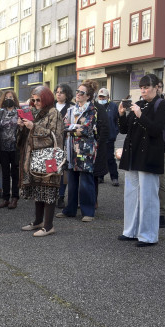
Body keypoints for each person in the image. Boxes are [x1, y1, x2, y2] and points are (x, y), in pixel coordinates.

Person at [116, 74, 165, 247]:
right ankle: (131, 231)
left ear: (157, 87)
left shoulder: (163, 105)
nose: (143, 90)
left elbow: (155, 130)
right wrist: (122, 115)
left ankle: (148, 235)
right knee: (131, 195)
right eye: (141, 87)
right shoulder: (139, 104)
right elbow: (125, 130)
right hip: (133, 155)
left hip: (150, 155)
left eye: (147, 87)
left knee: (148, 196)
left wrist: (141, 116)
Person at [18, 86, 65, 237]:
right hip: (33, 156)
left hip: (48, 158)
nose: (36, 102)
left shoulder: (54, 113)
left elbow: (56, 137)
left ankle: (49, 225)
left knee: (49, 189)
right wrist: (22, 127)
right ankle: (38, 221)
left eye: (39, 100)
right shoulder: (32, 112)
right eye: (34, 99)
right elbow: (27, 135)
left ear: (46, 98)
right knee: (37, 189)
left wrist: (34, 127)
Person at [57, 81, 98, 222]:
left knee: (86, 181)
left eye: (82, 92)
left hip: (85, 150)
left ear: (88, 96)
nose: (78, 94)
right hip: (71, 149)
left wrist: (72, 128)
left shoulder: (92, 110)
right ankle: (70, 209)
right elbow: (64, 125)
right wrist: (74, 128)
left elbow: (86, 129)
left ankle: (88, 212)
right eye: (77, 91)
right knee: (72, 181)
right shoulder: (71, 110)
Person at [0, 90, 20, 209]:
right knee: (4, 173)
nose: (9, 99)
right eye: (7, 97)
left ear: (15, 99)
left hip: (15, 148)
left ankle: (14, 198)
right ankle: (5, 198)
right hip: (3, 148)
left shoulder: (19, 113)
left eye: (12, 97)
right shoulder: (0, 114)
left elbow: (24, 130)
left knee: (15, 173)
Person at [54, 84, 74, 207]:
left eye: (61, 92)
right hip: (51, 142)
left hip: (65, 141)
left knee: (63, 170)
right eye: (57, 92)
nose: (59, 94)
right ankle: (52, 194)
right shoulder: (50, 106)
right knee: (52, 168)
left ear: (67, 94)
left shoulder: (71, 107)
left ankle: (61, 196)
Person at [97, 88, 121, 187]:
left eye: (104, 97)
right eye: (100, 96)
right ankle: (100, 176)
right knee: (99, 157)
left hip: (109, 137)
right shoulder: (96, 106)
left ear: (108, 97)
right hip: (98, 136)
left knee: (110, 158)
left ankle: (114, 177)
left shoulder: (113, 106)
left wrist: (115, 132)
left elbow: (118, 121)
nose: (102, 98)